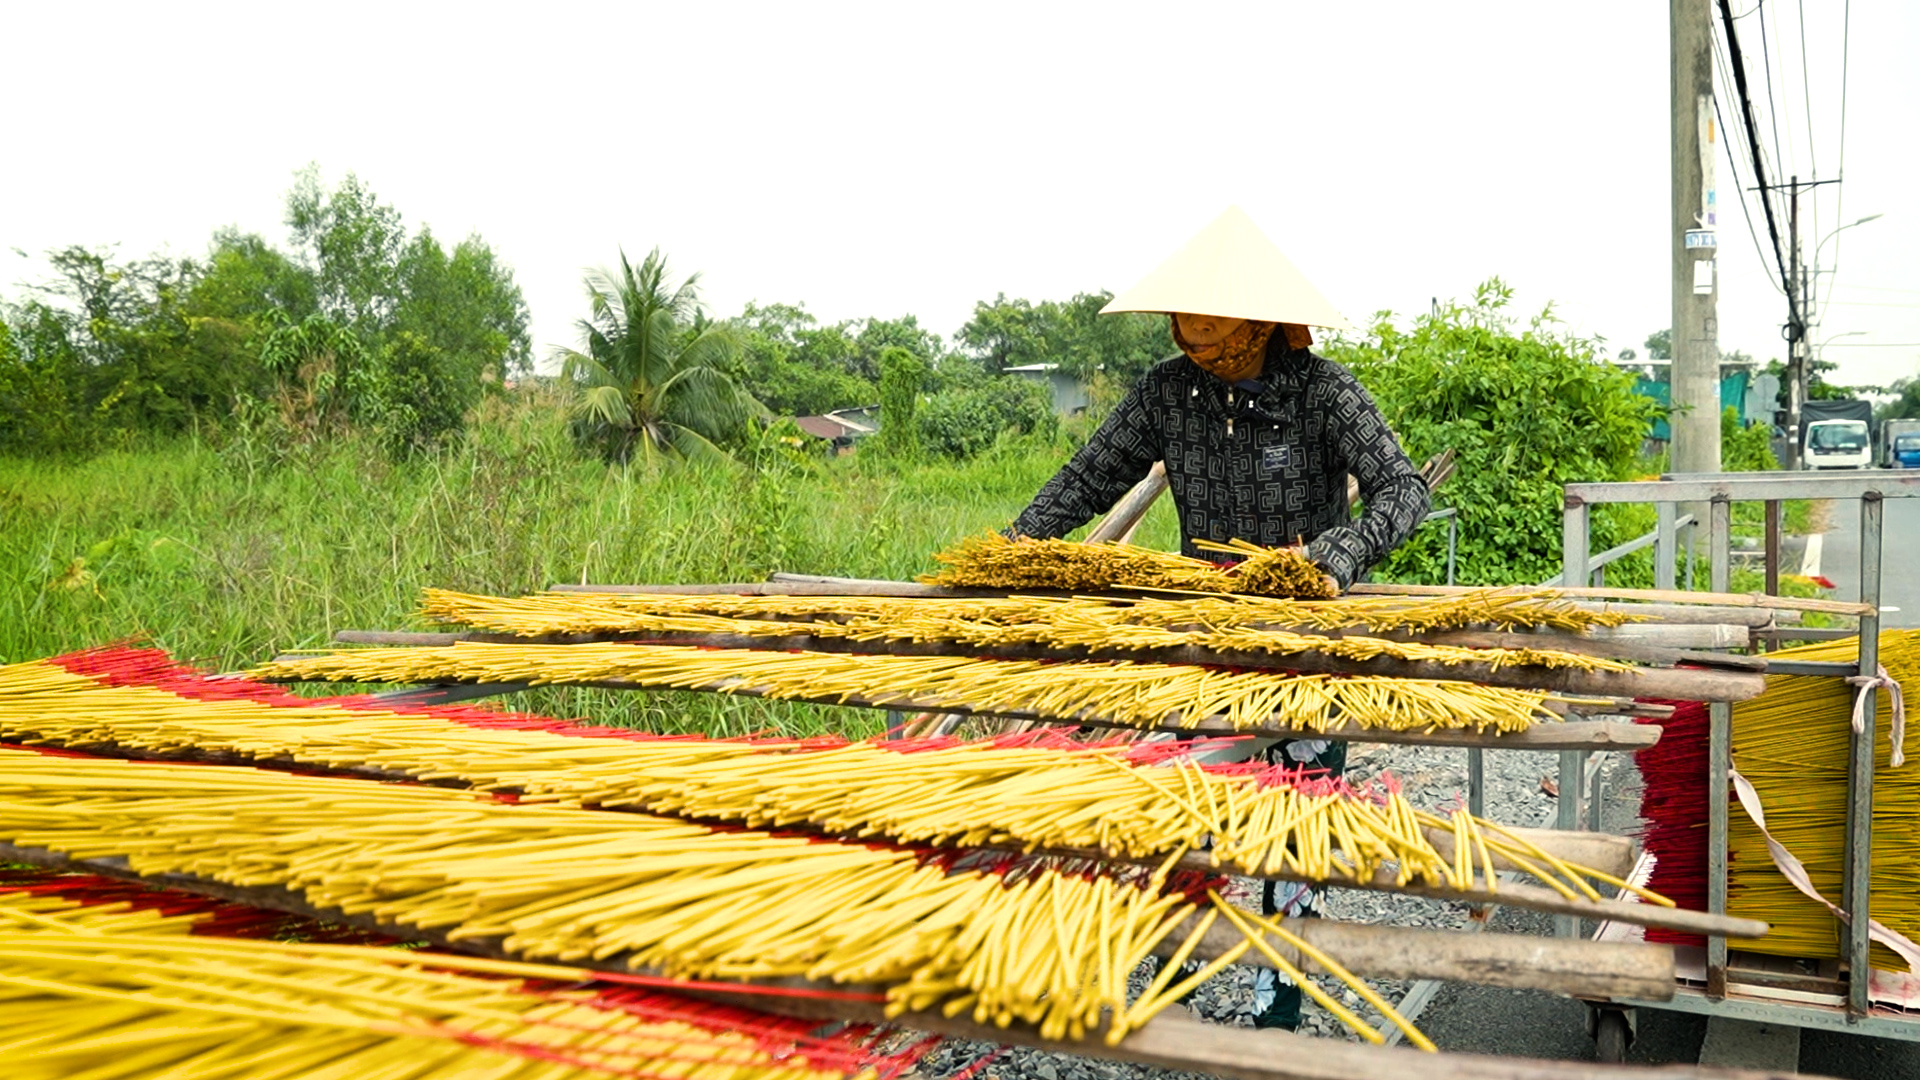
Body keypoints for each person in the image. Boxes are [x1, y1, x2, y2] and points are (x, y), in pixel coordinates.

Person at [1005, 206, 1429, 1030]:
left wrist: (1336, 558)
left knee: (1293, 829)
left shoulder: (1325, 392)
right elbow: (1087, 478)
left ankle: (1276, 1021)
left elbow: (1404, 491)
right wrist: (1014, 549)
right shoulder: (1166, 394)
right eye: (1186, 323)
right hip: (1196, 645)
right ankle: (1176, 999)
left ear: (1262, 322)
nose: (1197, 338)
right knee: (1181, 818)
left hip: (1305, 646)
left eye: (1215, 325)